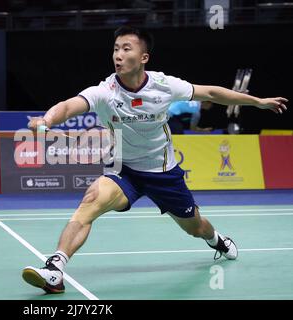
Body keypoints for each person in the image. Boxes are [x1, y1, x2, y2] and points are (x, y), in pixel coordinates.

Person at [22, 26, 288, 294]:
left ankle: (216, 240)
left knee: (195, 227)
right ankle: (55, 269)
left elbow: (211, 93)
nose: (118, 55)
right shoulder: (105, 91)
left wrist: (257, 102)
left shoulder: (164, 85)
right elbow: (69, 106)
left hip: (163, 173)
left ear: (144, 57)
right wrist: (46, 120)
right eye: (116, 49)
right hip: (124, 170)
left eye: (127, 48)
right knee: (91, 202)